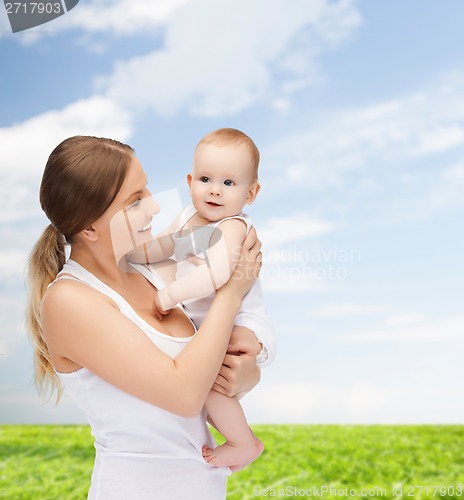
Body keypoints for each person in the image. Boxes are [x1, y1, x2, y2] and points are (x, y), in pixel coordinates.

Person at [25, 136, 272, 500]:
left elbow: (212, 351)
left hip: (205, 487)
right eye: (136, 200)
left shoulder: (154, 270)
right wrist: (231, 293)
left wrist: (249, 369)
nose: (155, 207)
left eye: (147, 191)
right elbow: (185, 394)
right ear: (91, 228)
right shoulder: (68, 301)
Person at [128, 128, 275, 470]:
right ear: (190, 180)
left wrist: (171, 294)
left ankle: (243, 442)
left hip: (243, 323)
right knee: (203, 377)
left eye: (228, 183)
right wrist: (134, 254)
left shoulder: (233, 227)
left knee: (208, 380)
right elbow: (164, 246)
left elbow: (217, 275)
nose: (214, 190)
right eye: (206, 178)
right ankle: (235, 435)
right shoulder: (186, 219)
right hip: (210, 322)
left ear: (251, 193)